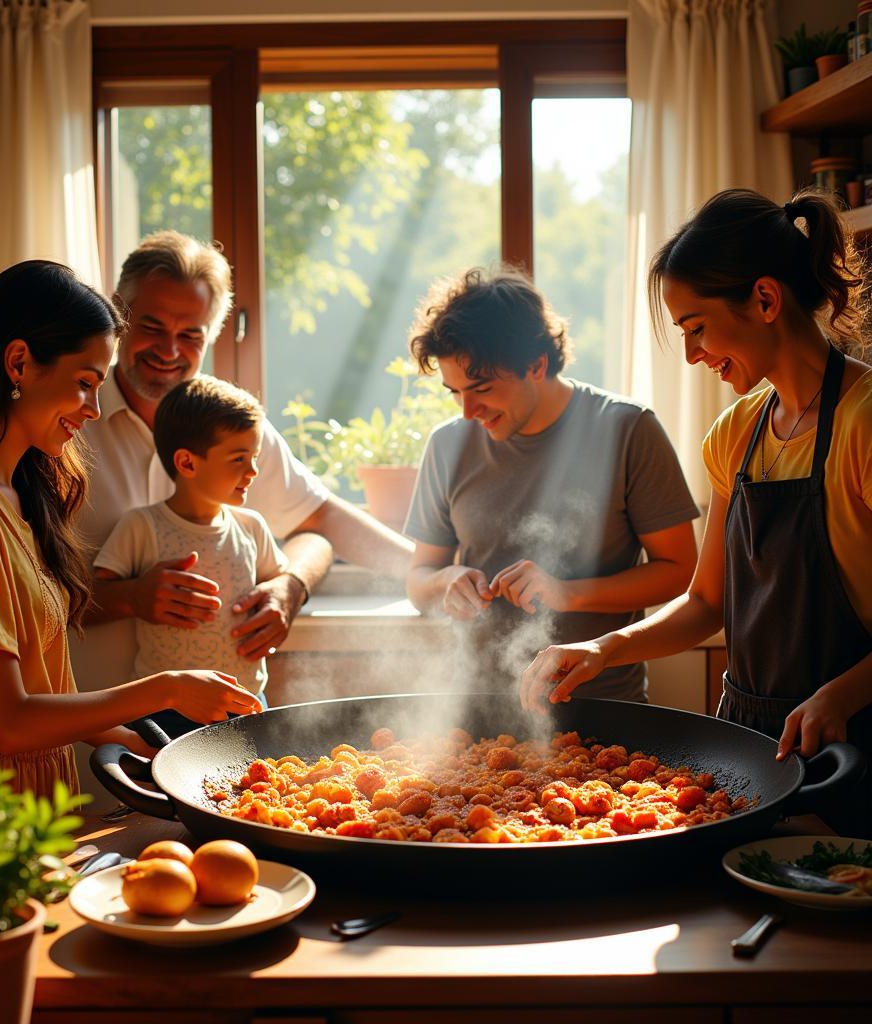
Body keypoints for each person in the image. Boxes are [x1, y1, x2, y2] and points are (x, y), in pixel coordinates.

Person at [519, 189, 872, 834]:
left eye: (696, 328)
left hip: (858, 747)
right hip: (752, 742)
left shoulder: (864, 422)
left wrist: (842, 694)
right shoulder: (736, 433)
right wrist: (603, 647)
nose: (692, 355)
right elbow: (708, 601)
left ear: (765, 300)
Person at [0, 261, 261, 797]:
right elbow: (9, 721)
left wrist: (141, 745)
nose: (93, 409)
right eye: (85, 383)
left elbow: (32, 694)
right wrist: (165, 689)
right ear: (19, 363)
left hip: (24, 799)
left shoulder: (10, 496)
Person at [73, 231, 413, 700]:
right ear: (119, 315)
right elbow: (24, 590)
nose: (169, 350)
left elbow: (320, 523)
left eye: (190, 335)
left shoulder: (230, 424)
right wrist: (129, 597)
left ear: (212, 335)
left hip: (224, 723)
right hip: (89, 728)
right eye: (152, 327)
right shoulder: (67, 423)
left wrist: (290, 587)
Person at [405, 265, 699, 698]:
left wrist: (568, 593)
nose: (467, 411)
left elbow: (679, 572)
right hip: (474, 709)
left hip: (602, 709)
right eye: (455, 392)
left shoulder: (628, 429)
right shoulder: (447, 445)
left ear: (537, 364)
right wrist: (445, 581)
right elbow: (418, 579)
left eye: (481, 388)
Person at [94, 375, 288, 713]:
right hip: (166, 711)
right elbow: (90, 600)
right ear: (187, 463)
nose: (254, 470)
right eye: (239, 458)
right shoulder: (142, 527)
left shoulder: (251, 527)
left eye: (254, 456)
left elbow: (277, 583)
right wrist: (135, 593)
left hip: (246, 706)